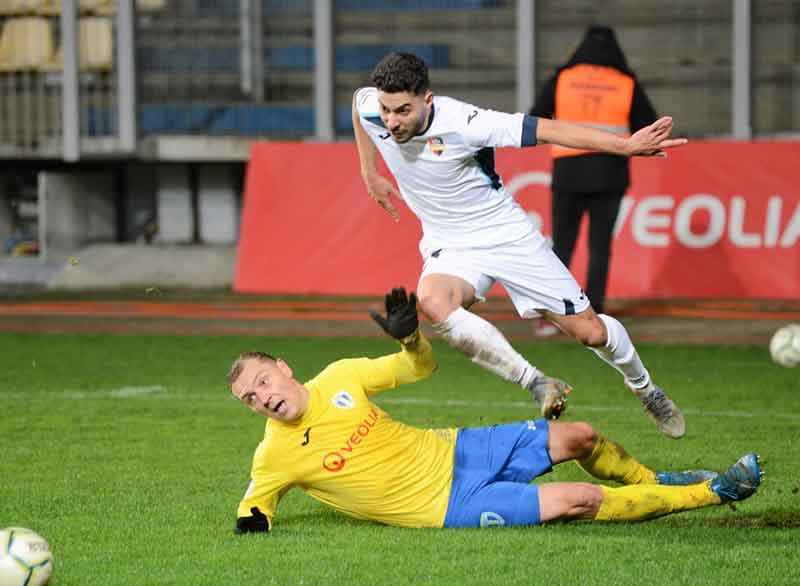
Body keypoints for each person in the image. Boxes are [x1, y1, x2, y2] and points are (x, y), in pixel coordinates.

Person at [229, 287, 761, 533]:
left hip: (459, 447)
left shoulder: (339, 377)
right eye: (250, 398)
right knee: (577, 499)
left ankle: (655, 479)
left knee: (581, 435)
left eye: (262, 380)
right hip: (447, 506)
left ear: (283, 367)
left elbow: (420, 370)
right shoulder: (273, 456)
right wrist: (253, 526)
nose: (262, 396)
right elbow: (255, 509)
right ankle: (711, 492)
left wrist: (411, 337)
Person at [351, 52, 686, 438]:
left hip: (505, 234)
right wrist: (369, 171)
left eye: (403, 111)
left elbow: (548, 130)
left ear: (428, 100)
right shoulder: (372, 105)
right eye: (386, 109)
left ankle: (645, 388)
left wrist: (624, 146)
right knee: (432, 301)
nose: (391, 122)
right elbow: (361, 109)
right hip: (449, 241)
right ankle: (536, 382)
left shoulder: (465, 123)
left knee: (591, 333)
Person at [529, 25, 658, 317]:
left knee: (562, 246)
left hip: (568, 172)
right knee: (600, 247)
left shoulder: (563, 78)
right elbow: (647, 124)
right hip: (610, 173)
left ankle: (556, 313)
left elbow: (536, 115)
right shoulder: (626, 82)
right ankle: (595, 313)